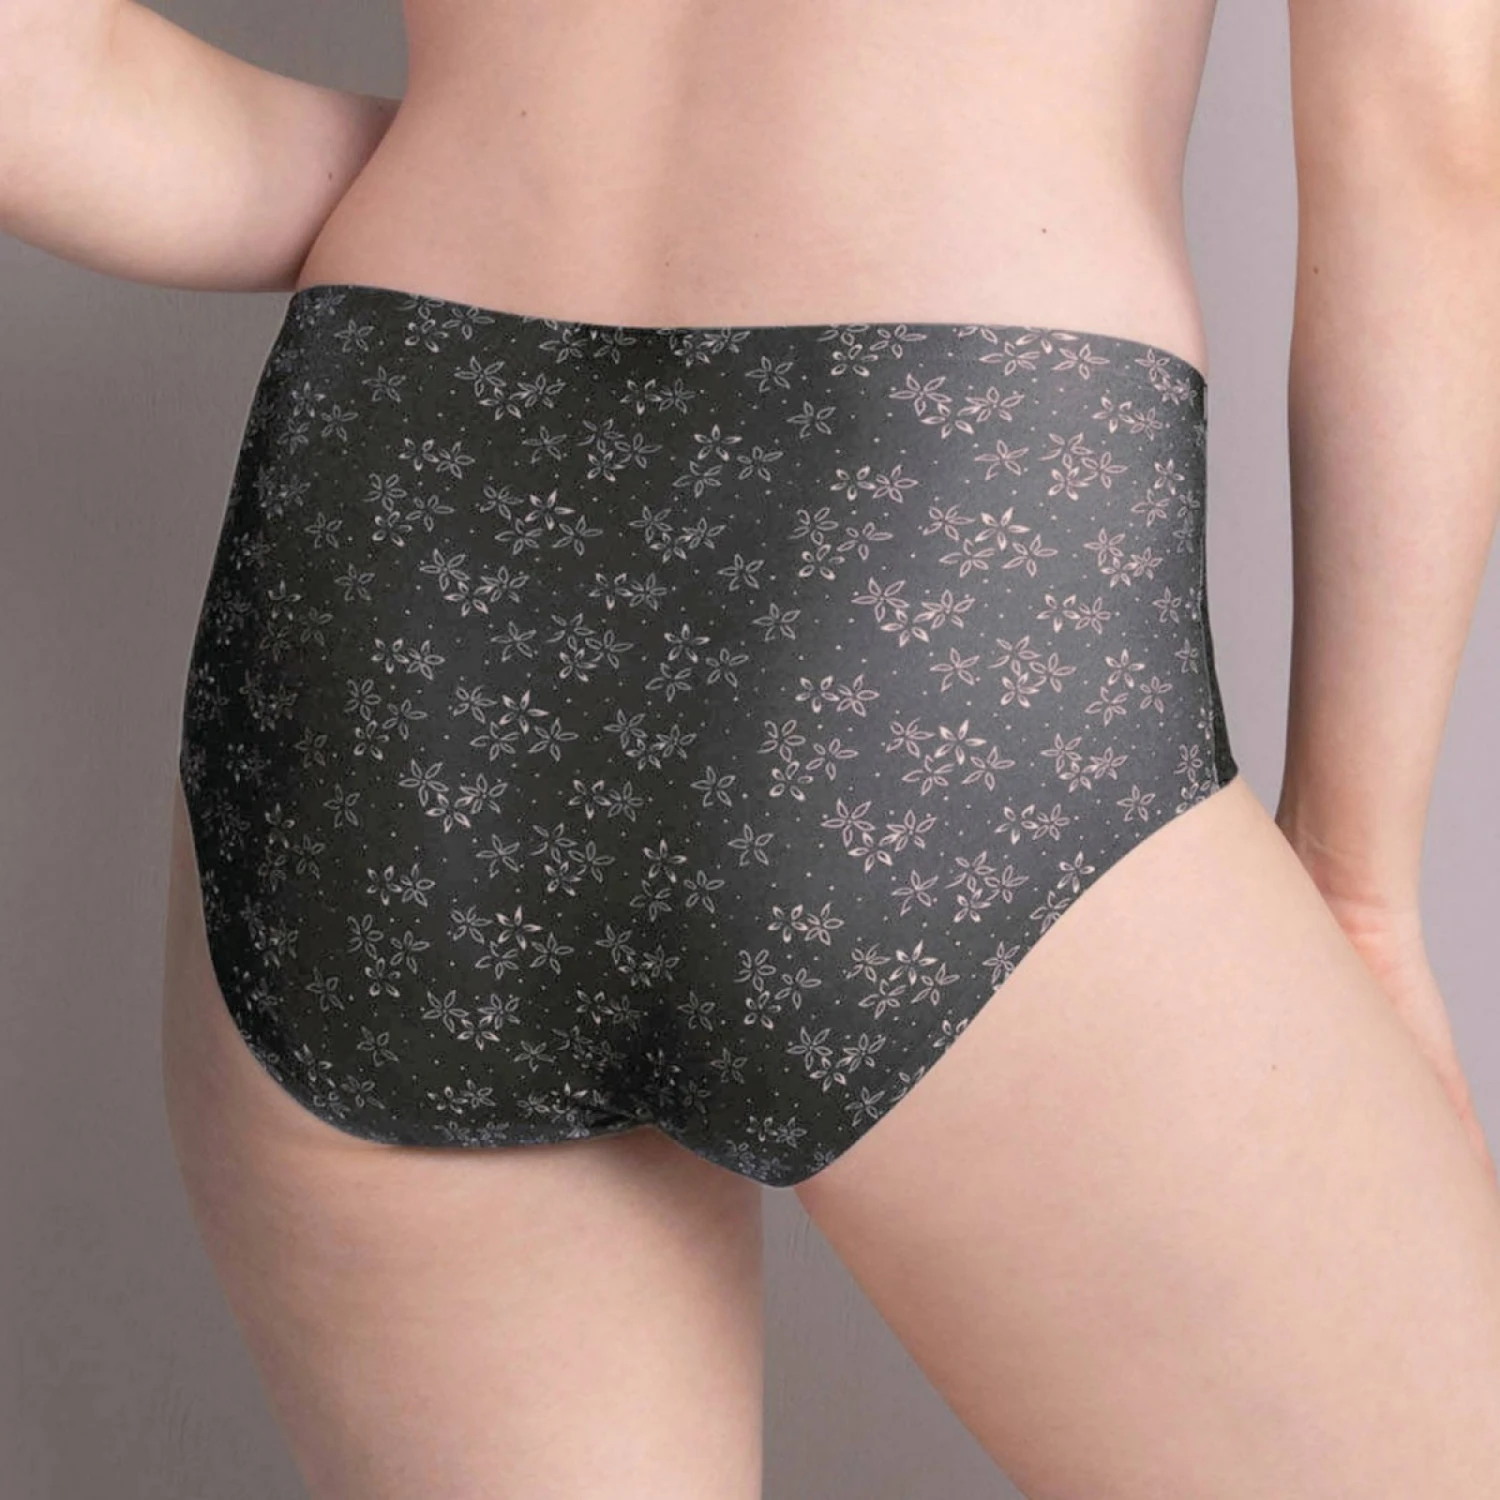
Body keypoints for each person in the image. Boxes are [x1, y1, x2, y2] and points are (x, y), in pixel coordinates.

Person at [5, 0, 1500, 1493]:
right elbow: (1427, 124)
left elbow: (41, 78)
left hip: (404, 552)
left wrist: (444, 175)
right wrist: (1359, 887)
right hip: (931, 573)